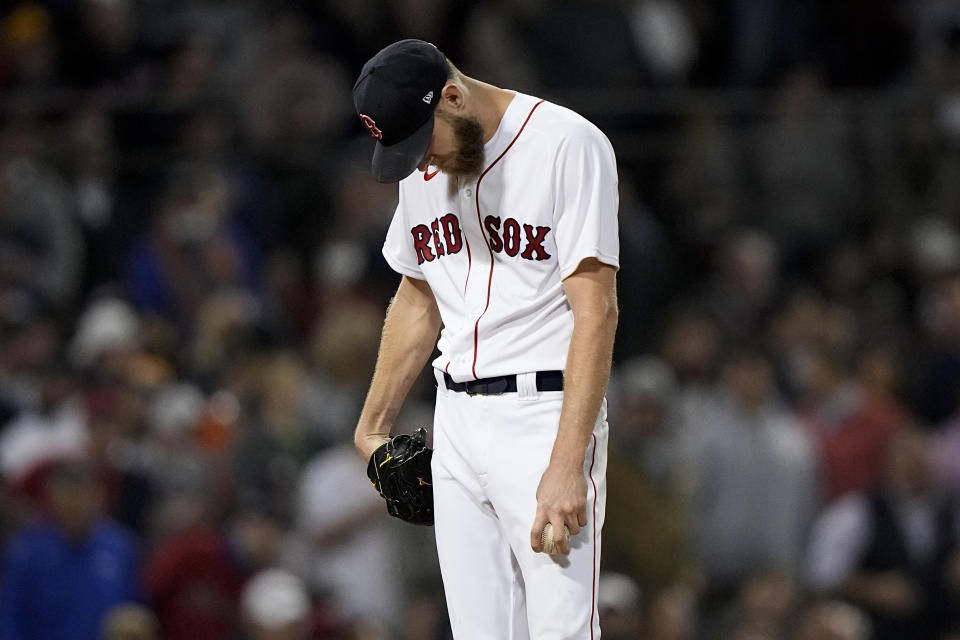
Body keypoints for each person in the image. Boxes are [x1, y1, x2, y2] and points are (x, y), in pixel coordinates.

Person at [351, 39, 619, 638]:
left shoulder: (566, 144)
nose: (421, 164)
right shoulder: (424, 172)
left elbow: (596, 310)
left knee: (561, 631)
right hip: (455, 421)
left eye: (423, 144)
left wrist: (567, 461)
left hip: (543, 414)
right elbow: (419, 294)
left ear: (452, 97)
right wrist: (371, 426)